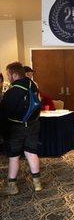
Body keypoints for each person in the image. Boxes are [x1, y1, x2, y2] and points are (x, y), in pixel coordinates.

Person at [0, 62, 42, 195]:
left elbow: (4, 112)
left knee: (14, 156)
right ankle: (37, 184)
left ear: (14, 74)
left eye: (8, 75)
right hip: (34, 124)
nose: (8, 78)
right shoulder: (32, 85)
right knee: (31, 152)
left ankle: (12, 186)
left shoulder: (13, 91)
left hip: (17, 127)